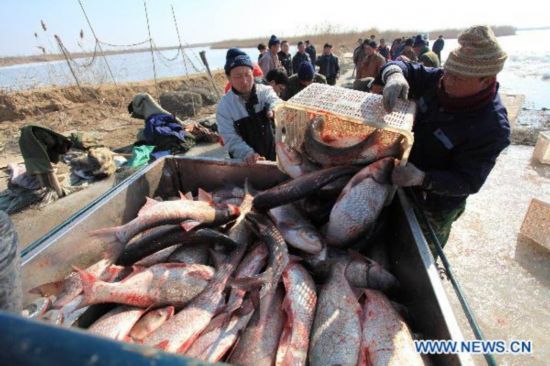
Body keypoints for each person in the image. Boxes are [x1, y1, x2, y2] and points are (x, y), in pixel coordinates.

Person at [379, 25, 510, 252]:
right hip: (399, 172)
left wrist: (422, 178)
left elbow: (468, 181)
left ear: (486, 81)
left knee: (420, 249)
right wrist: (394, 75)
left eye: (457, 78)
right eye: (447, 71)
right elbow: (401, 65)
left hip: (435, 202)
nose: (447, 80)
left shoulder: (492, 128)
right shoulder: (438, 80)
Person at [217, 48, 280, 164]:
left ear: (253, 73)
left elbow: (275, 100)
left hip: (272, 155)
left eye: (247, 74)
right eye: (238, 76)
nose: (244, 81)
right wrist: (247, 153)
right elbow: (230, 138)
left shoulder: (264, 91)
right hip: (244, 163)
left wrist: (275, 108)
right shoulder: (224, 106)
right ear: (229, 78)